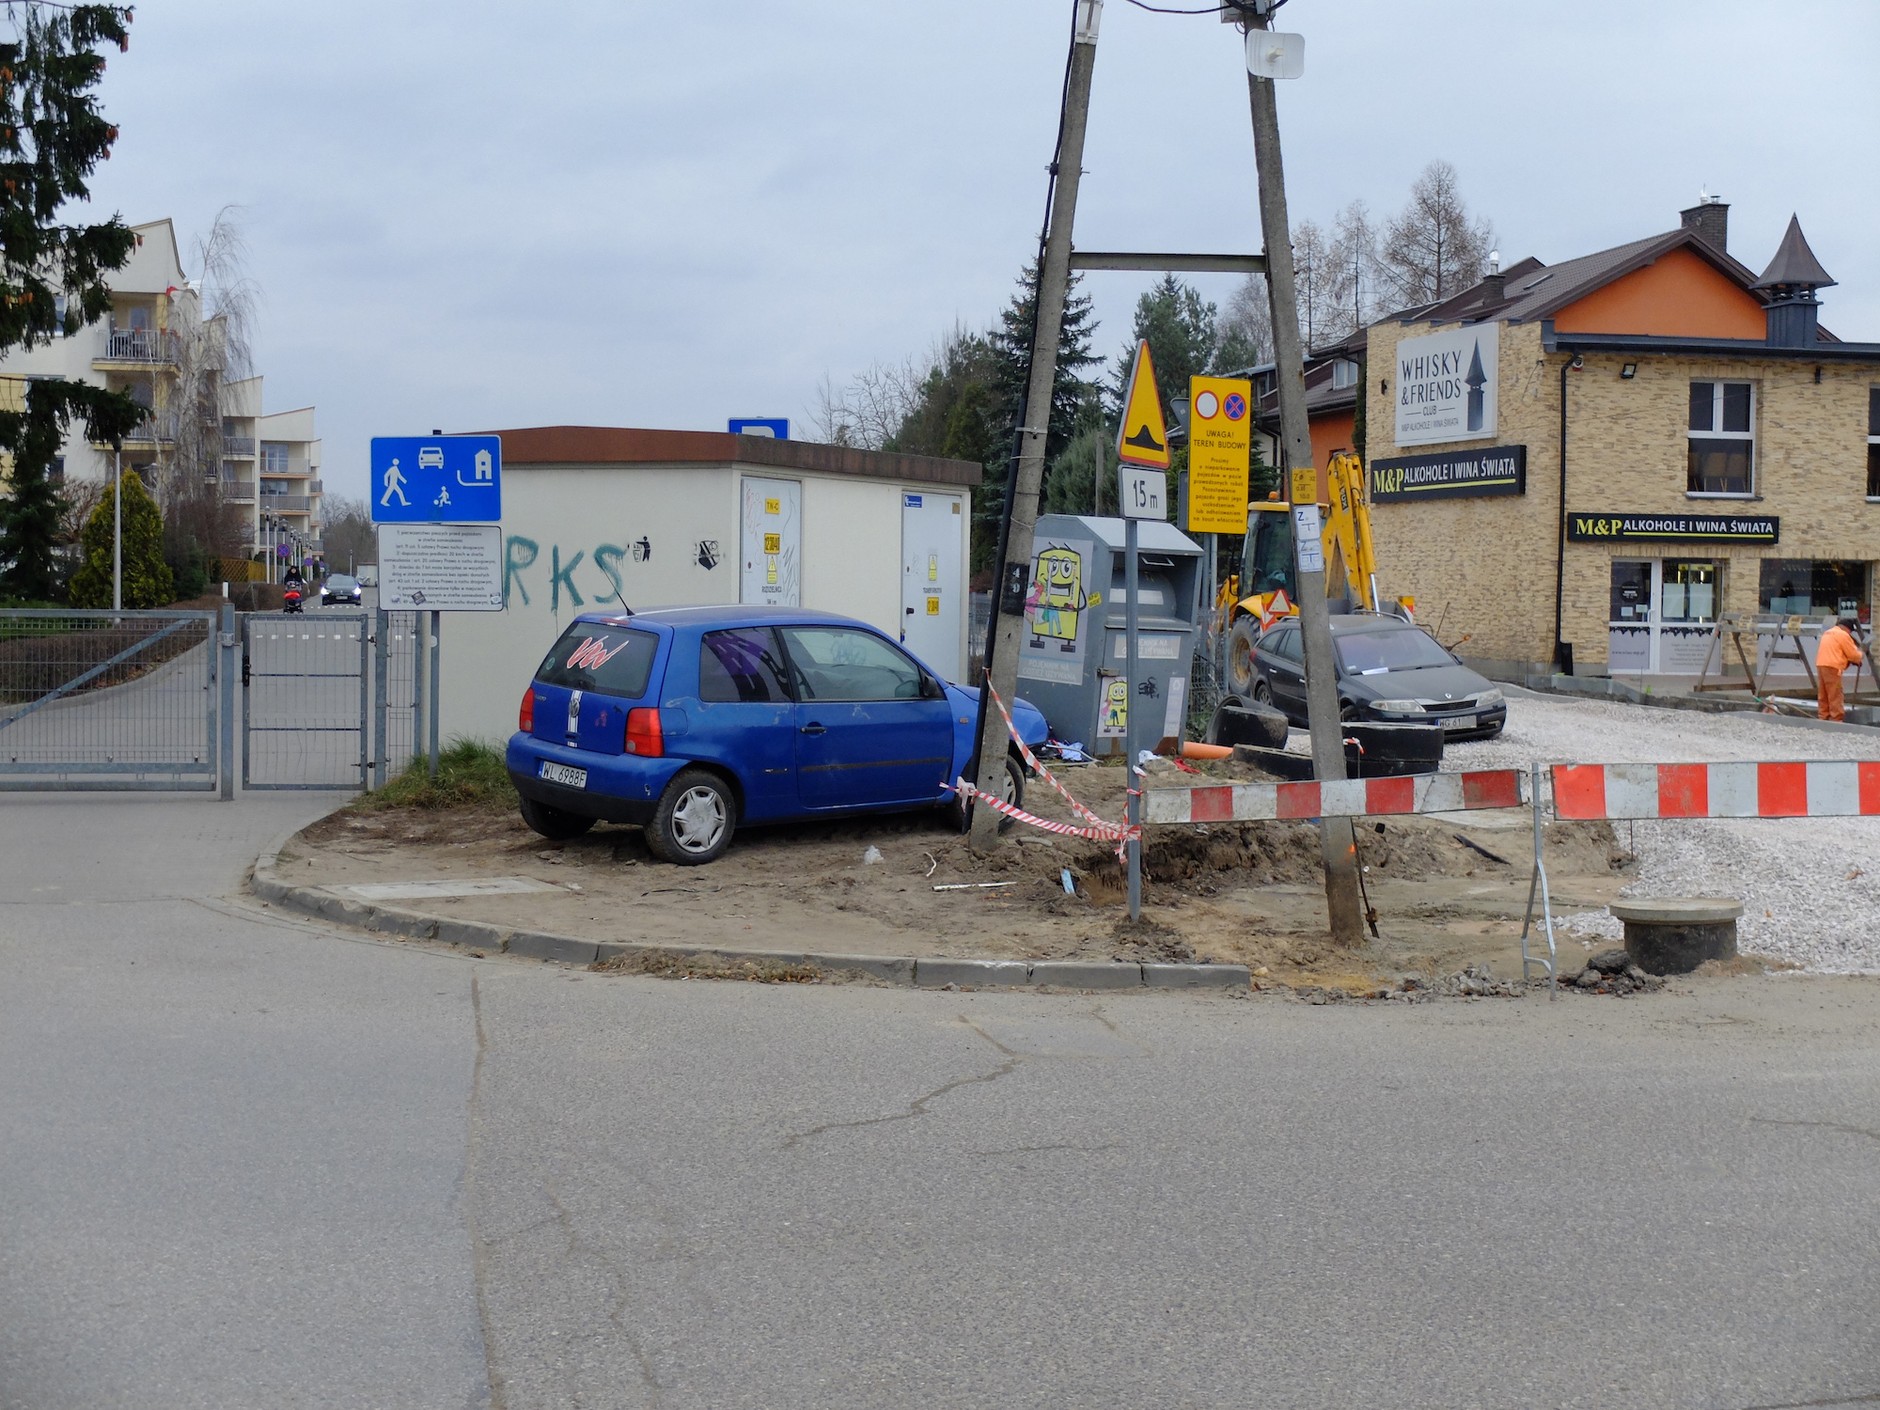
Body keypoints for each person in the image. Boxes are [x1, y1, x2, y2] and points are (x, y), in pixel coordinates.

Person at [1816, 612, 1865, 721]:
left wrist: (1848, 661)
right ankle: (1836, 720)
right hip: (1833, 666)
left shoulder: (1828, 632)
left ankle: (1823, 717)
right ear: (1848, 628)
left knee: (1823, 693)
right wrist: (1861, 653)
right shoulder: (1843, 635)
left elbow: (1836, 650)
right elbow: (1854, 655)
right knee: (1835, 694)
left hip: (1821, 664)